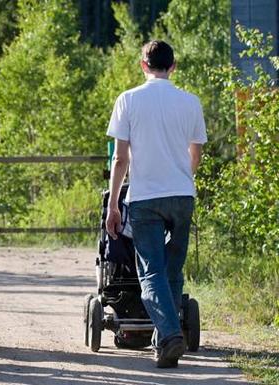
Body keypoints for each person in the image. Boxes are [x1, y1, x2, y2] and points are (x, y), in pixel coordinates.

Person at [105, 41, 207, 368]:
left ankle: (169, 334)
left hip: (145, 197)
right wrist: (181, 177)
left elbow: (120, 158)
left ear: (142, 65)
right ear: (173, 66)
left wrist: (113, 205)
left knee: (150, 272)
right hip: (182, 195)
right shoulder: (190, 102)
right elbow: (196, 154)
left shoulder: (129, 100)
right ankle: (167, 342)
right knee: (172, 270)